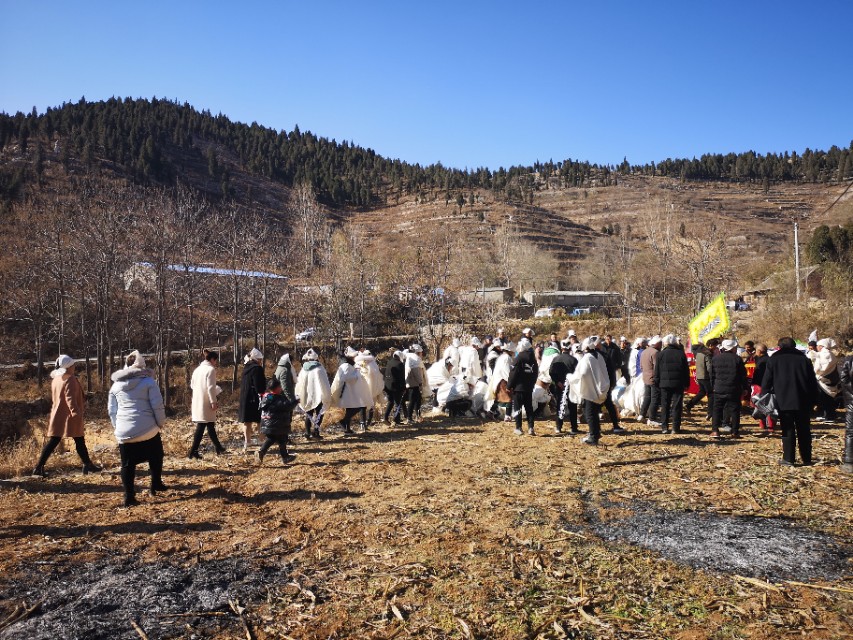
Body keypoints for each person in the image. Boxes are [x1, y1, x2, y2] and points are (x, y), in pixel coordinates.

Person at [108, 351, 167, 507]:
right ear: (142, 366)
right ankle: (156, 484)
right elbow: (157, 405)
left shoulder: (115, 385)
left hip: (124, 432)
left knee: (127, 464)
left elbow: (112, 411)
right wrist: (160, 423)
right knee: (156, 455)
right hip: (148, 428)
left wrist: (118, 427)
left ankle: (129, 497)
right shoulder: (148, 382)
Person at [32, 354, 100, 477]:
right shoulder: (70, 379)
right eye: (73, 365)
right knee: (76, 439)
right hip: (69, 415)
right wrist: (76, 413)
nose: (74, 366)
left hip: (58, 413)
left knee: (62, 440)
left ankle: (87, 464)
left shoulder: (56, 379)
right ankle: (87, 465)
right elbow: (70, 398)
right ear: (68, 366)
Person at [762, 337, 819, 466]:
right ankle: (807, 458)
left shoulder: (774, 360)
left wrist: (763, 397)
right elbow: (812, 382)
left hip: (783, 399)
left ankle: (788, 459)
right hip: (803, 399)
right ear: (794, 346)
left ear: (779, 347)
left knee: (787, 429)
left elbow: (766, 381)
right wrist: (815, 399)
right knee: (804, 429)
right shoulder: (804, 359)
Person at [569, 336, 610, 445]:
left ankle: (593, 436)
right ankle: (595, 433)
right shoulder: (598, 356)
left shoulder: (587, 358)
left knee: (590, 414)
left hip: (591, 391)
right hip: (600, 389)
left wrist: (571, 377)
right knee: (594, 413)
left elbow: (582, 373)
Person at [188, 349, 225, 459]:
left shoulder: (197, 370)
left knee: (209, 424)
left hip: (198, 400)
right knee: (202, 425)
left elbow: (192, 386)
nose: (216, 363)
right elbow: (210, 387)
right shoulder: (210, 370)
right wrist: (213, 401)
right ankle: (193, 451)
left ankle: (218, 447)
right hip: (206, 401)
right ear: (212, 359)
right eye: (215, 361)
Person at [709, 339, 748, 439]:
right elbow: (743, 376)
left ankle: (715, 431)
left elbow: (712, 375)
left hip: (718, 388)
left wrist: (712, 386)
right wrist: (745, 388)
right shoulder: (737, 359)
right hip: (734, 388)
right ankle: (735, 432)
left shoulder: (715, 359)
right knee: (735, 410)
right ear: (732, 348)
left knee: (717, 409)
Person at [330, 346, 372, 433]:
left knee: (350, 409)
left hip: (350, 391)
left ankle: (347, 429)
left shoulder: (347, 365)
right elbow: (345, 378)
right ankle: (343, 421)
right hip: (347, 391)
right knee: (356, 408)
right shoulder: (346, 365)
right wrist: (356, 374)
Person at [655, 335, 691, 435]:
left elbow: (657, 371)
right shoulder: (681, 354)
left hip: (664, 383)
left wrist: (657, 382)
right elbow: (685, 371)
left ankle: (664, 427)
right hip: (678, 383)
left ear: (665, 343)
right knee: (677, 406)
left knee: (665, 405)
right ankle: (675, 428)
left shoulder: (661, 354)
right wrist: (687, 383)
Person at [257, 377, 297, 464]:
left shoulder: (266, 397)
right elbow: (287, 407)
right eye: (280, 387)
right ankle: (283, 457)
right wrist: (296, 402)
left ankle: (283, 456)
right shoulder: (279, 398)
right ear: (277, 388)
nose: (281, 388)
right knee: (278, 439)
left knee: (276, 439)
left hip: (267, 423)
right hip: (277, 424)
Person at [294, 348, 332, 439]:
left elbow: (299, 383)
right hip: (318, 395)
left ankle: (307, 433)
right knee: (319, 413)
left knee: (308, 414)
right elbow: (324, 383)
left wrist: (299, 394)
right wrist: (327, 394)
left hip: (306, 395)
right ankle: (316, 432)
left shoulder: (304, 369)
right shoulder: (319, 368)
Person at [507, 338, 538, 435]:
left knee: (517, 408)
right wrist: (532, 384)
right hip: (529, 388)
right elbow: (535, 373)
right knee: (529, 408)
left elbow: (514, 373)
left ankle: (518, 427)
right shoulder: (533, 359)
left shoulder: (519, 357)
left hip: (518, 387)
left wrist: (509, 385)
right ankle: (531, 427)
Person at [237, 348, 266, 451]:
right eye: (260, 360)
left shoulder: (246, 368)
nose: (261, 362)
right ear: (257, 359)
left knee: (247, 421)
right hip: (255, 397)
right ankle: (262, 441)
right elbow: (259, 385)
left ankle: (247, 442)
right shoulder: (257, 369)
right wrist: (263, 393)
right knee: (260, 420)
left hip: (245, 397)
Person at [550, 338, 579, 434]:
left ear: (561, 348)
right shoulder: (574, 360)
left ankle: (558, 427)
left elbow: (551, 372)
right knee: (572, 407)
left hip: (559, 386)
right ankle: (574, 428)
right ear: (570, 349)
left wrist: (557, 382)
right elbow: (578, 374)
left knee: (560, 406)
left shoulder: (556, 359)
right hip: (571, 386)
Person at [598, 340, 627, 435]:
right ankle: (615, 425)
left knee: (595, 407)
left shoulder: (591, 357)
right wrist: (612, 384)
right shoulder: (605, 356)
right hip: (605, 385)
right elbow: (611, 372)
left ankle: (596, 428)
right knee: (609, 405)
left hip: (598, 385)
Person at [685, 339, 716, 421]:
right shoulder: (707, 354)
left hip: (699, 376)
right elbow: (709, 367)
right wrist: (713, 377)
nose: (715, 348)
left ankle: (689, 405)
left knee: (702, 392)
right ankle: (710, 413)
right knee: (711, 394)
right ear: (711, 346)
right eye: (715, 346)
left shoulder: (698, 353)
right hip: (706, 377)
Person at [751, 343, 776, 433]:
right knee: (767, 405)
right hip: (769, 385)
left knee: (763, 405)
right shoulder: (769, 360)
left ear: (759, 351)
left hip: (761, 385)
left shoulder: (763, 361)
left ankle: (768, 425)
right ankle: (766, 424)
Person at [813, 338, 840, 422]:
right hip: (827, 379)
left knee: (826, 399)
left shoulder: (825, 354)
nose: (817, 347)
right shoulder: (827, 354)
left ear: (821, 346)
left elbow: (821, 368)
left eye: (818, 346)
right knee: (826, 399)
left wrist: (815, 370)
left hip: (824, 380)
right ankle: (826, 414)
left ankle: (829, 416)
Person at [355, 349, 385, 424]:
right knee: (372, 405)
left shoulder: (358, 363)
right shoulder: (373, 364)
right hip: (373, 389)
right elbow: (378, 376)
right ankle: (369, 421)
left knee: (363, 405)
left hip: (362, 389)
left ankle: (362, 422)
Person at [639, 335, 662, 426]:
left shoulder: (644, 351)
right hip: (653, 378)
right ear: (657, 344)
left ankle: (641, 414)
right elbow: (657, 367)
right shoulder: (655, 352)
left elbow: (641, 366)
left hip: (645, 377)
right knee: (654, 398)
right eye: (660, 344)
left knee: (647, 397)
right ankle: (652, 418)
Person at [403, 344, 427, 424]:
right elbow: (416, 373)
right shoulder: (415, 359)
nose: (421, 354)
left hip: (412, 383)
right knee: (413, 401)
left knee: (417, 400)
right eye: (420, 352)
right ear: (417, 352)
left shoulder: (410, 357)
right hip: (413, 384)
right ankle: (409, 417)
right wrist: (420, 382)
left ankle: (417, 415)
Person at [383, 350, 407, 424]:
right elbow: (402, 377)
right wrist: (404, 387)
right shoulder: (400, 364)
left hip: (387, 386)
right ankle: (397, 420)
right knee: (398, 404)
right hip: (396, 387)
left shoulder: (389, 362)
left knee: (390, 402)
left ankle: (385, 418)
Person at [839, 351, 853, 473]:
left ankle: (849, 461)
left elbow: (843, 378)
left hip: (852, 400)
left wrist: (849, 395)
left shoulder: (849, 360)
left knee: (851, 431)